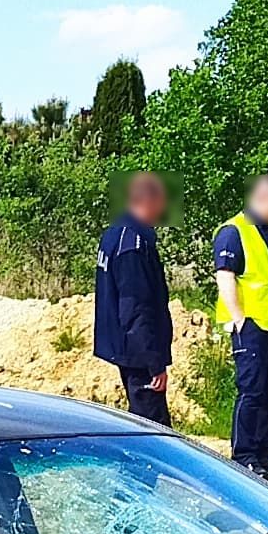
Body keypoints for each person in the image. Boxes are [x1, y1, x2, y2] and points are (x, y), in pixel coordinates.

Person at [211, 174, 268, 477]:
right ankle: (244, 455)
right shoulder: (233, 232)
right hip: (252, 325)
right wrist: (238, 319)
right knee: (252, 391)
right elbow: (225, 277)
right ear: (263, 198)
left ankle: (264, 452)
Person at [92, 172, 175, 423]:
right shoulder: (133, 244)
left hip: (125, 346)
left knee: (144, 419)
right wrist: (154, 364)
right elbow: (136, 307)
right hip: (137, 351)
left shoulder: (115, 233)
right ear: (149, 201)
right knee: (154, 428)